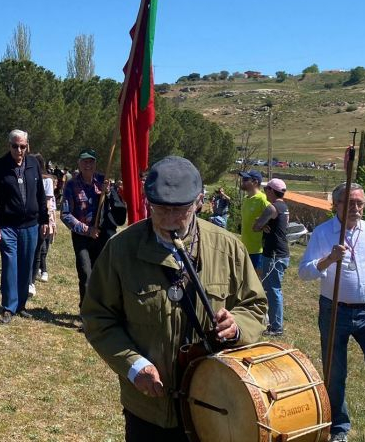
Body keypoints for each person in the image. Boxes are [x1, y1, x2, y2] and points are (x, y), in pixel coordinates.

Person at [81, 156, 267, 440]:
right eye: (160, 209)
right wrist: (133, 366)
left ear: (200, 202)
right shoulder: (120, 250)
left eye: (179, 210)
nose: (168, 220)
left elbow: (254, 305)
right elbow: (98, 317)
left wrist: (237, 325)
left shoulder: (228, 248)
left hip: (215, 404)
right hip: (149, 406)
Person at [297, 182, 365, 442]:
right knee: (335, 371)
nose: (356, 208)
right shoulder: (323, 233)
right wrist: (329, 259)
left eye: (360, 203)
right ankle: (339, 428)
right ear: (336, 205)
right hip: (334, 311)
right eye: (350, 202)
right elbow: (304, 272)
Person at [0, 129, 49, 323]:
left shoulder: (34, 164)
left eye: (22, 146)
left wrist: (44, 220)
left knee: (27, 264)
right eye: (15, 146)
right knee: (10, 263)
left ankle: (21, 305)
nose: (19, 150)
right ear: (9, 146)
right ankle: (8, 307)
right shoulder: (0, 166)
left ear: (27, 146)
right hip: (7, 225)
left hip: (31, 225)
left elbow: (40, 195)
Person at [60, 148, 127, 311]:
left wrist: (109, 193)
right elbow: (65, 214)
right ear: (79, 163)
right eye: (84, 161)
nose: (87, 165)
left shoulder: (103, 182)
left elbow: (118, 211)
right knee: (86, 275)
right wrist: (86, 230)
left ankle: (98, 310)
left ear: (96, 163)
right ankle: (86, 311)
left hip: (102, 236)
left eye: (91, 161)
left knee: (101, 276)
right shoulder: (71, 185)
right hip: (81, 237)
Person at [252, 178, 291, 336]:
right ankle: (274, 323)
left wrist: (260, 224)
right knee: (272, 288)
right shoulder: (284, 207)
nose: (264, 191)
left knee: (273, 290)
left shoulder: (272, 208)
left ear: (271, 191)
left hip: (274, 254)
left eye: (266, 189)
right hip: (281, 253)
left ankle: (276, 327)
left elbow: (256, 227)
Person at [28, 153, 56, 296]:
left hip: (41, 218)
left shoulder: (47, 181)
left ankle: (31, 282)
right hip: (27, 219)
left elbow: (48, 202)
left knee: (38, 250)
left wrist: (47, 220)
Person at [238, 169, 269, 269]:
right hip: (244, 247)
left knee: (256, 281)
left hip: (257, 250)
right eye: (243, 179)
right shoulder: (246, 199)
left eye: (246, 179)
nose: (242, 181)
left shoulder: (262, 199)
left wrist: (266, 225)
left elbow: (275, 214)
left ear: (255, 182)